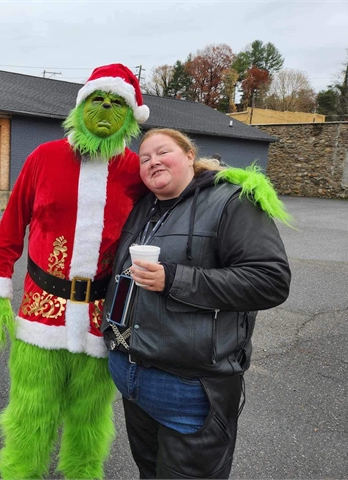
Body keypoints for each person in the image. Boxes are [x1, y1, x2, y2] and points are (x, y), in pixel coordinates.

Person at [0, 64, 150, 479]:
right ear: (80, 106)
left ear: (129, 116)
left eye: (115, 102)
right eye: (98, 99)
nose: (105, 108)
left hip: (102, 316)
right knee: (30, 417)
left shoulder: (134, 170)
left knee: (89, 423)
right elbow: (12, 222)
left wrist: (222, 182)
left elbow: (179, 186)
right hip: (42, 311)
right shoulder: (44, 157)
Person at [101, 128, 291, 479]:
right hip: (132, 374)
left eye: (163, 152)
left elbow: (270, 281)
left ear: (190, 155)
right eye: (144, 158)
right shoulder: (144, 207)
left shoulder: (233, 201)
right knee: (150, 471)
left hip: (189, 386)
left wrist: (173, 278)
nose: (153, 161)